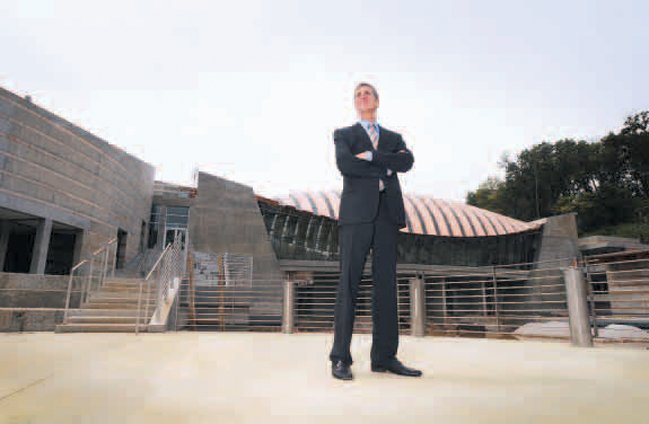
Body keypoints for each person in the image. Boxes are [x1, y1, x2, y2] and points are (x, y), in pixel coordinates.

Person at [329, 82, 422, 380]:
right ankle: (340, 358)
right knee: (349, 284)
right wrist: (386, 166)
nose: (362, 96)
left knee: (386, 287)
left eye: (367, 92)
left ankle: (384, 357)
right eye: (357, 94)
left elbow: (406, 162)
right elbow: (345, 165)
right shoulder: (344, 135)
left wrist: (370, 157)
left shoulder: (394, 137)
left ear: (377, 100)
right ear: (355, 103)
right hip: (356, 216)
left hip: (387, 216)